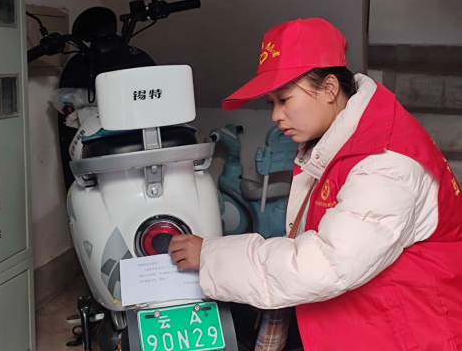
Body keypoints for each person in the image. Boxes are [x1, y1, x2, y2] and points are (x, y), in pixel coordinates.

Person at [168, 18, 462, 350]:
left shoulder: (384, 163)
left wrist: (211, 256)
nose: (275, 115)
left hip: (412, 335)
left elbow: (324, 264)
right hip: (377, 325)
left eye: (284, 99)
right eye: (271, 103)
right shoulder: (344, 142)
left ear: (330, 88)